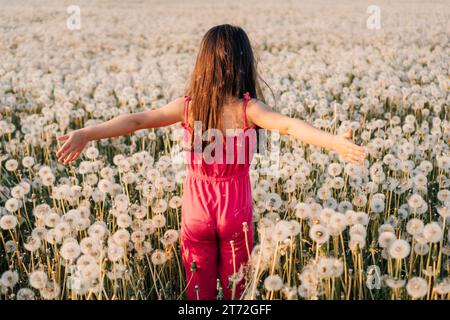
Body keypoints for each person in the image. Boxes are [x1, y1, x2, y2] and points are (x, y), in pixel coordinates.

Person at [55, 24, 366, 300]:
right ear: (245, 63)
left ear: (203, 62)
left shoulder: (190, 107)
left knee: (198, 292)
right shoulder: (249, 109)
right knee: (237, 290)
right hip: (235, 210)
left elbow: (137, 120)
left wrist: (87, 133)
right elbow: (289, 126)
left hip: (196, 210)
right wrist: (333, 142)